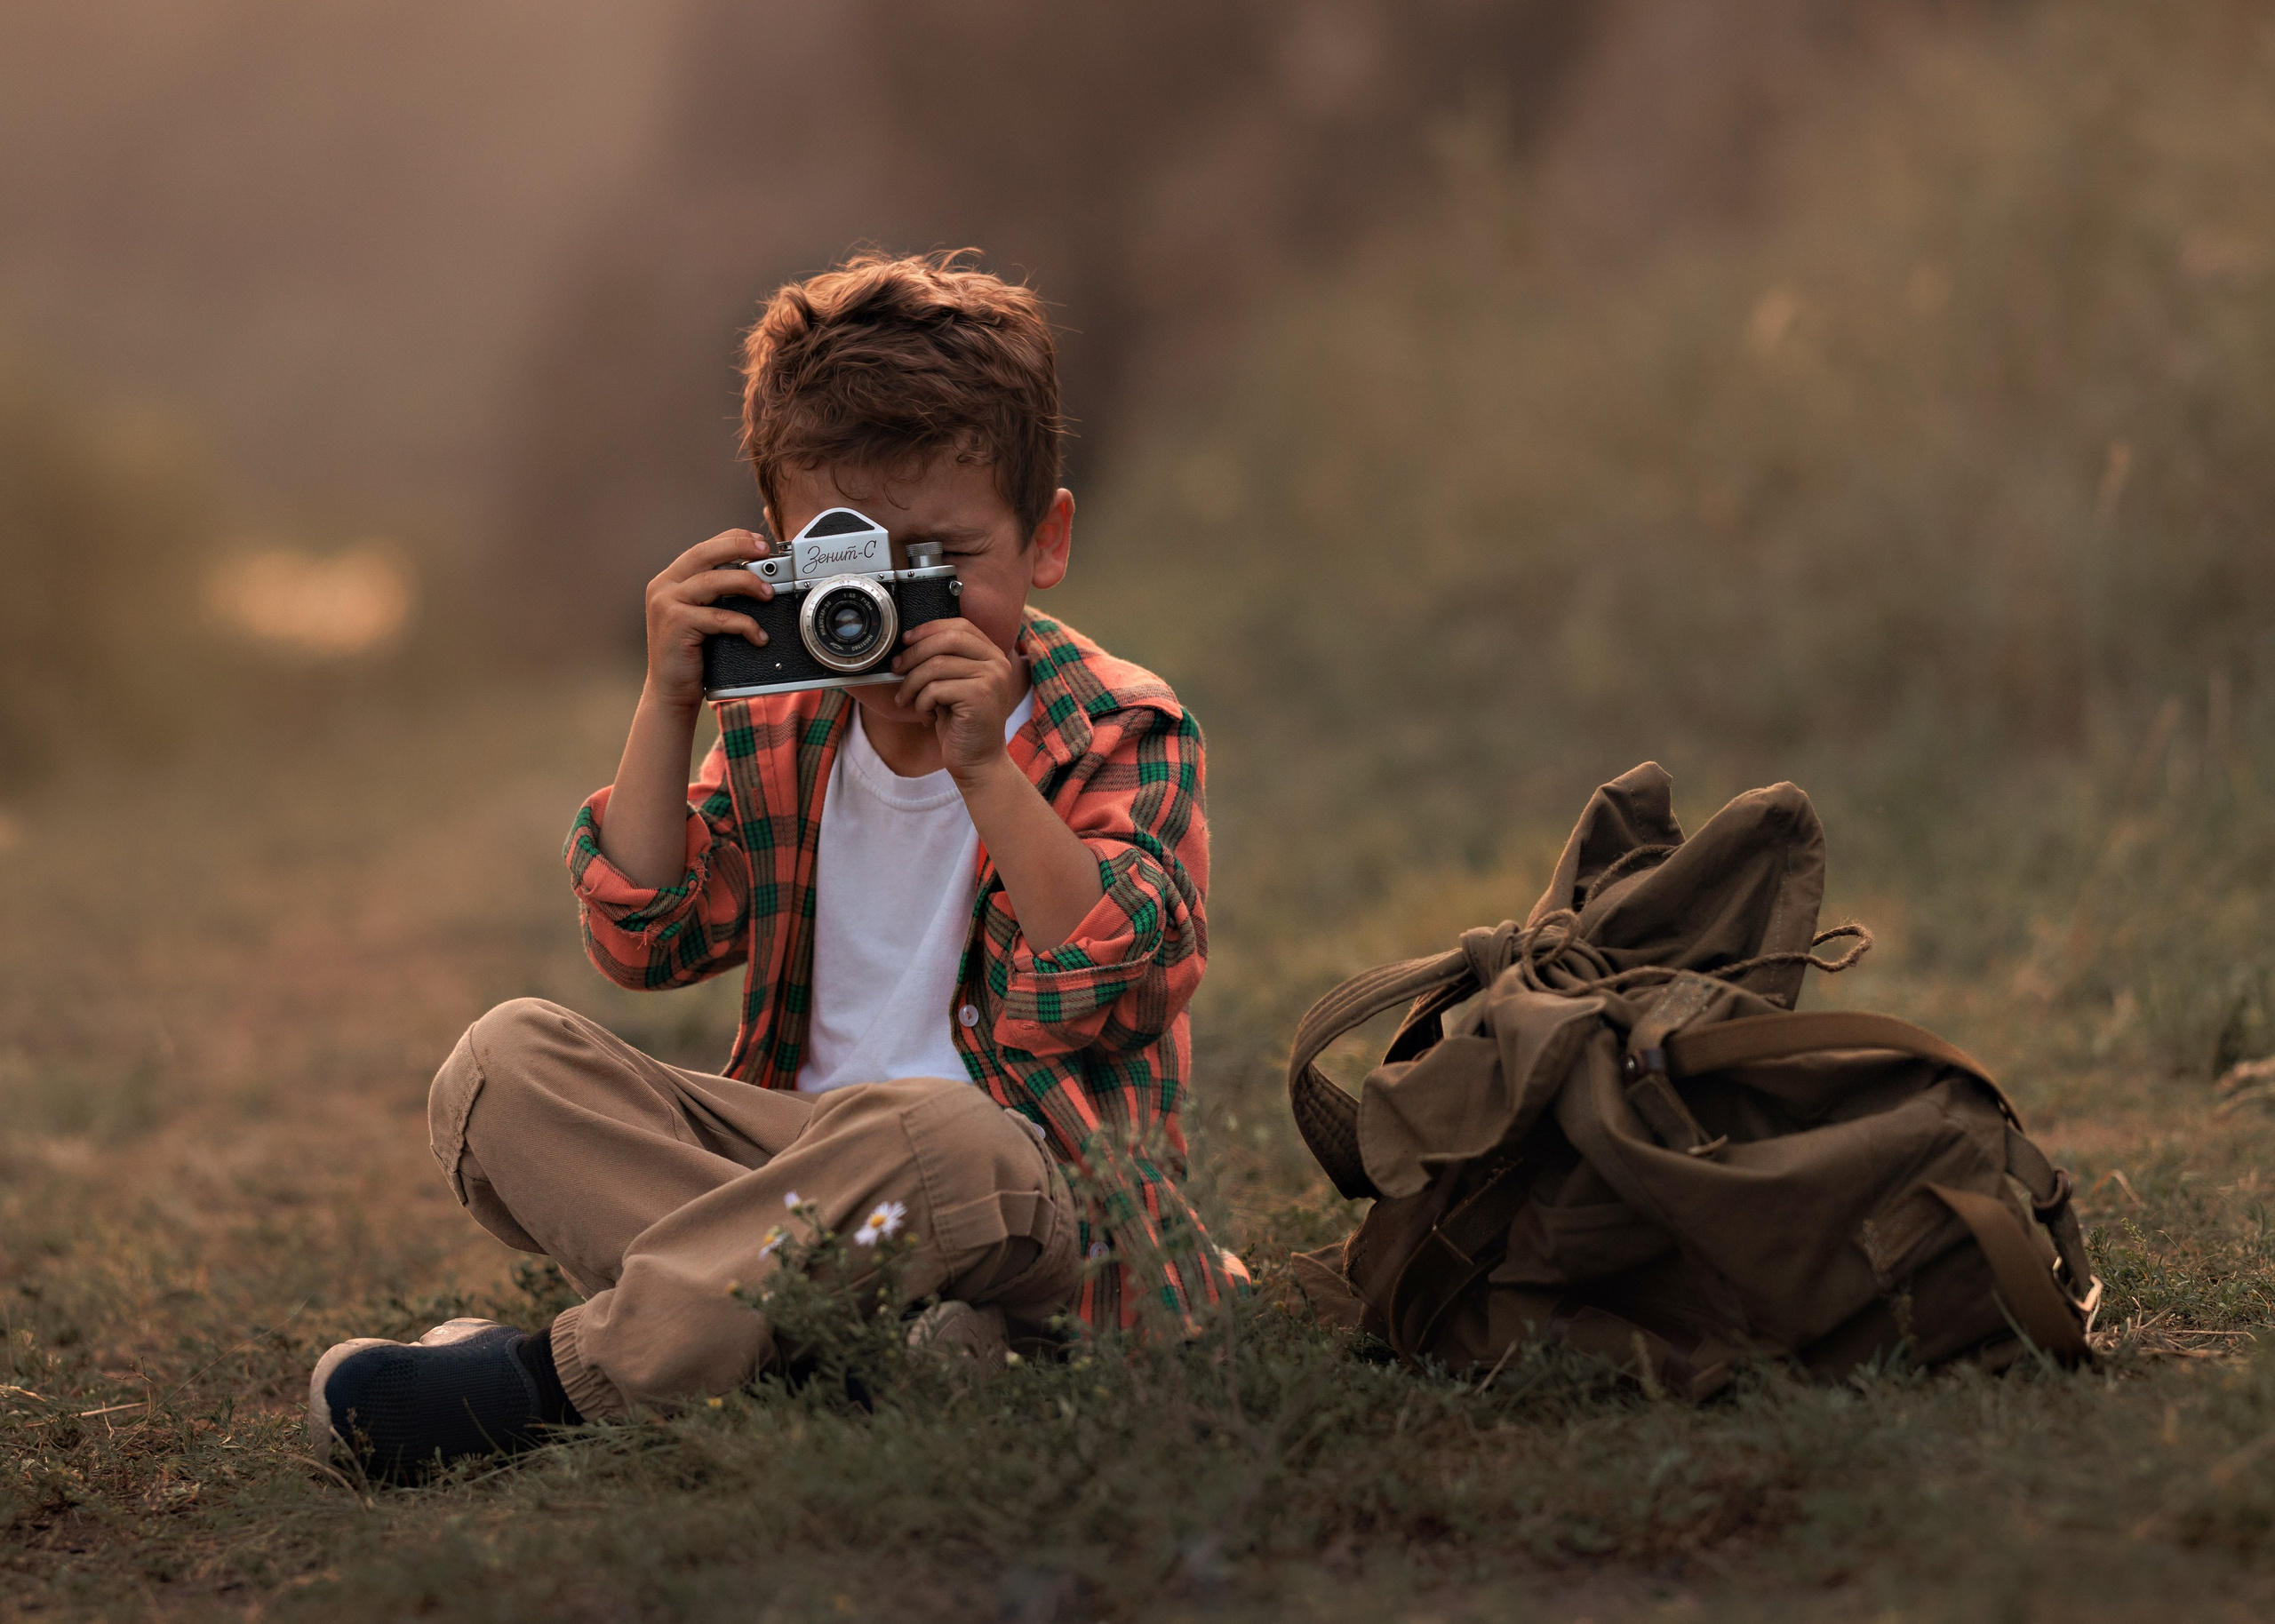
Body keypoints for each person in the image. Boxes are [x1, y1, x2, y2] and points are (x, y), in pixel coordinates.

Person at [308, 251, 1232, 1481]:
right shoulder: (782, 718)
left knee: (936, 1131)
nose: (896, 615)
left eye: (941, 562)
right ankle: (872, 1347)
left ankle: (550, 1380)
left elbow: (1109, 986)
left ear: (1045, 541)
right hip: (801, 1181)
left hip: (1025, 1200)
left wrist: (986, 774)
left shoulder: (1116, 728)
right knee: (500, 1068)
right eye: (857, 568)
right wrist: (669, 701)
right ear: (786, 551)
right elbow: (646, 940)